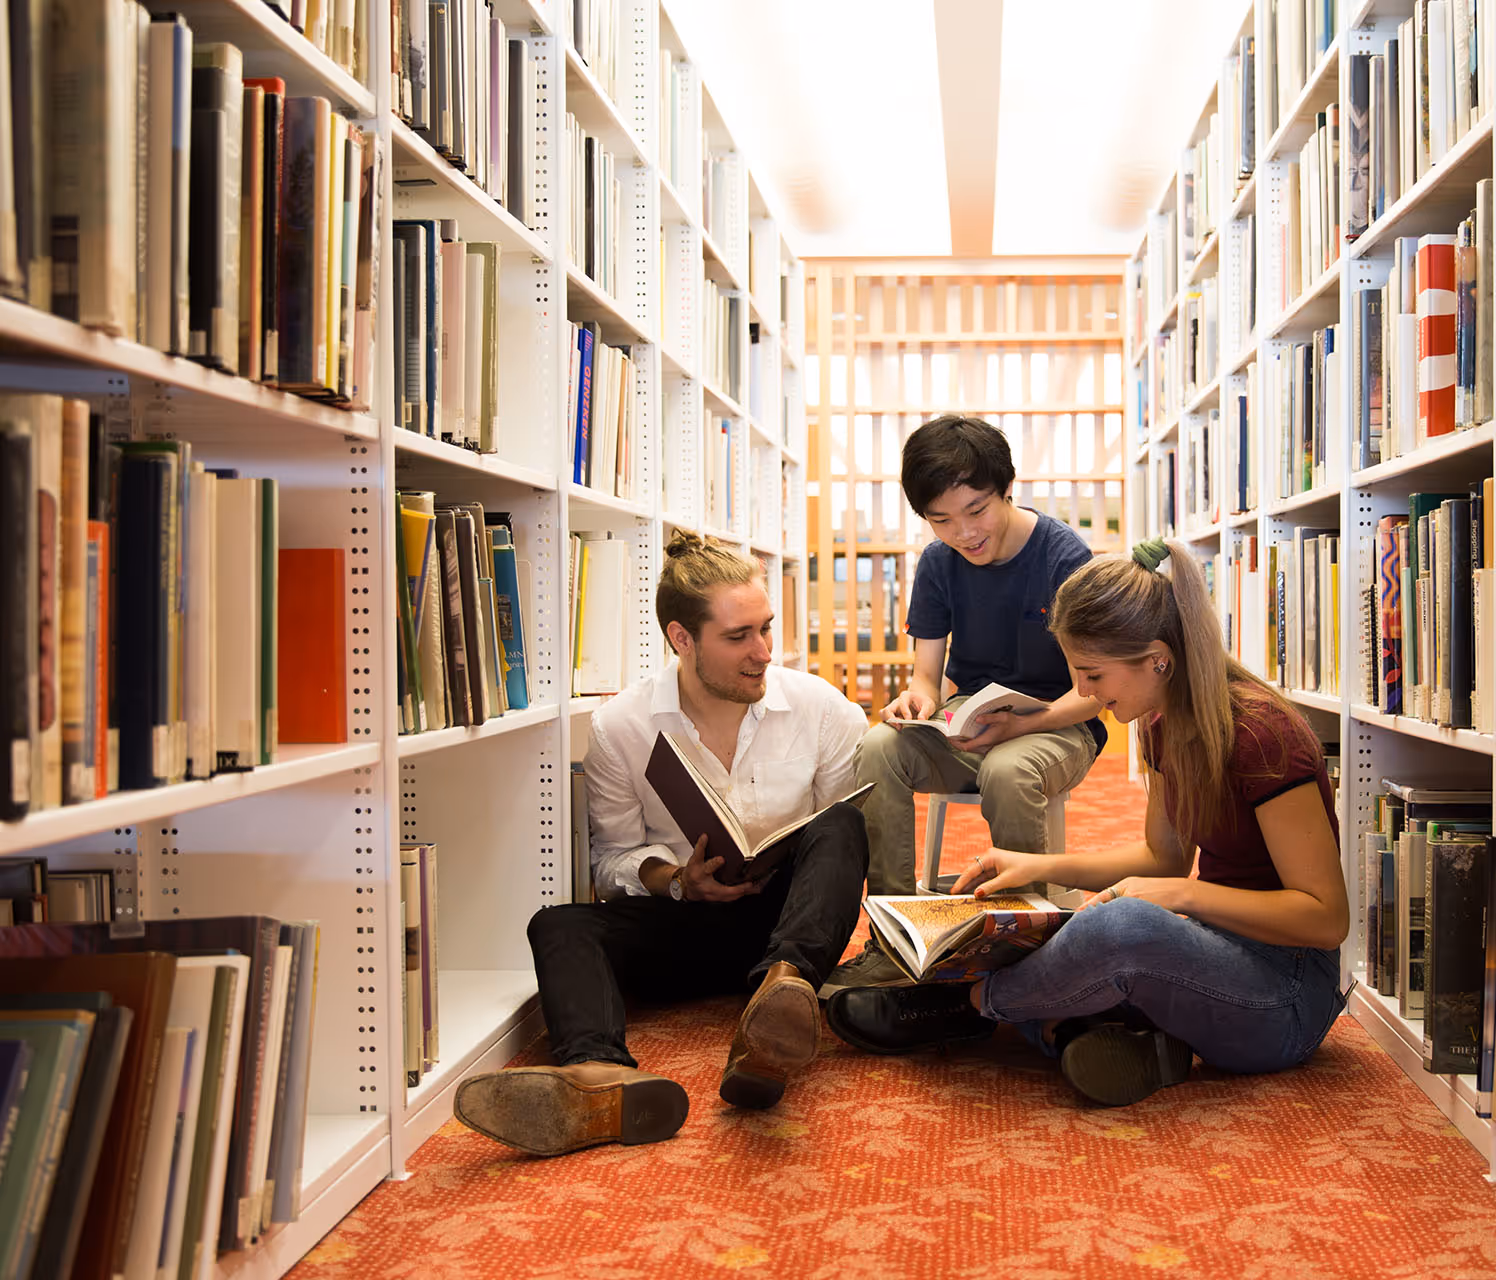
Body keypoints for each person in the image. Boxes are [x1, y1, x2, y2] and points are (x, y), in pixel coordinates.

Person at [824, 538, 1350, 1107]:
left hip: (1286, 994)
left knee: (1120, 929)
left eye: (1093, 674)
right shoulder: (1162, 720)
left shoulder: (1262, 737)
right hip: (1208, 955)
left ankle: (965, 1008)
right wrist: (1036, 866)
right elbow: (1161, 859)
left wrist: (1184, 896)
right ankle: (1077, 1031)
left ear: (1158, 659)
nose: (1083, 693)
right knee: (1044, 922)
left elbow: (1325, 920)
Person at [454, 532, 870, 1155]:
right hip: (691, 922)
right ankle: (599, 1079)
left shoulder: (821, 709)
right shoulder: (623, 726)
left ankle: (779, 1005)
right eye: (738, 637)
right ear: (682, 639)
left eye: (766, 628)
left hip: (794, 928)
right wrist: (676, 879)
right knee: (561, 925)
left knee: (840, 825)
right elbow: (611, 859)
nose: (762, 652)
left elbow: (840, 851)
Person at [825, 415, 1107, 993]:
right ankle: (896, 934)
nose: (963, 533)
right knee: (878, 747)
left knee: (1008, 770)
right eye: (941, 520)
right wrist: (915, 700)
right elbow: (927, 677)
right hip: (968, 722)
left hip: (1059, 724)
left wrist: (1022, 725)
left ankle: (1022, 947)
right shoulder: (938, 563)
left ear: (1007, 489)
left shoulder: (1064, 558)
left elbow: (1095, 691)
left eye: (976, 511)